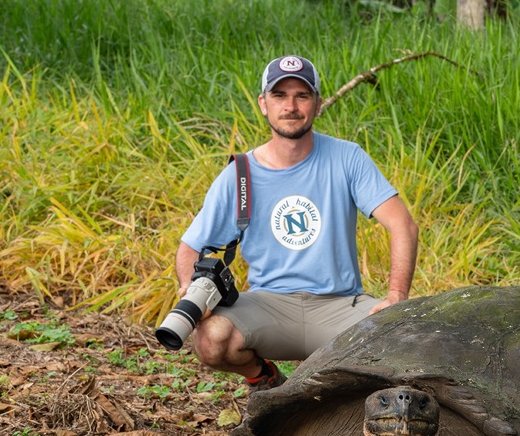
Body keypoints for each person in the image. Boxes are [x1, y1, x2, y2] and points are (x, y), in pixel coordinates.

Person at [175, 55, 419, 391]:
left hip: (339, 304)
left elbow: (403, 225)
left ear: (318, 104)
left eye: (302, 96)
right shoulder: (241, 174)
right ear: (264, 104)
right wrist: (190, 288)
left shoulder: (347, 158)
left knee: (401, 338)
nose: (290, 106)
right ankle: (265, 379)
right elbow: (191, 245)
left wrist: (396, 297)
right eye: (279, 96)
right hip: (267, 304)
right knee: (212, 339)